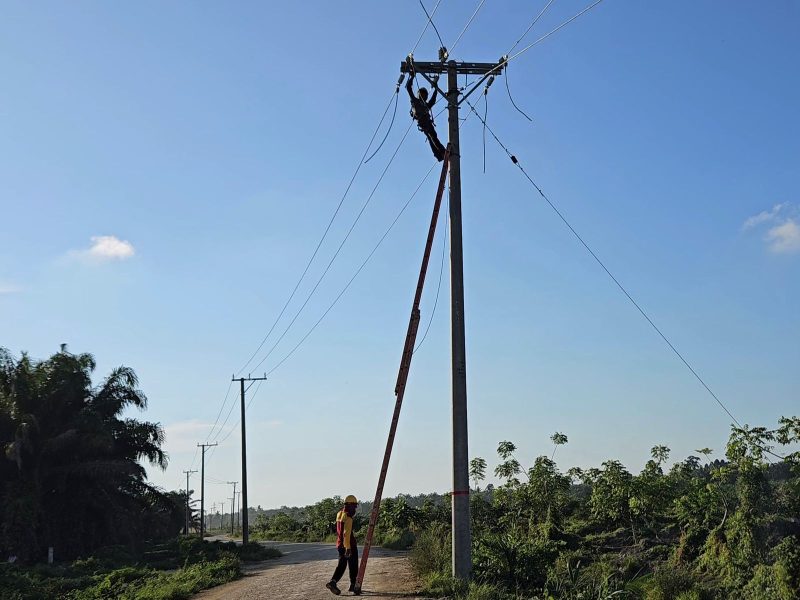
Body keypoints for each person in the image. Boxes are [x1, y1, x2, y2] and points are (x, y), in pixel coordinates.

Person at [406, 67, 447, 162]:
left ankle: (439, 155)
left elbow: (433, 101)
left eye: (426, 96)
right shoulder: (415, 101)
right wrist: (412, 77)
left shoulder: (426, 105)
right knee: (432, 136)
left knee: (431, 137)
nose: (425, 97)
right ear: (420, 94)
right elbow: (408, 88)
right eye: (424, 95)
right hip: (423, 122)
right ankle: (442, 152)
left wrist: (436, 89)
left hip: (426, 122)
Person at [326, 495, 360, 596]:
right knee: (353, 566)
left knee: (342, 565)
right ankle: (353, 586)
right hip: (348, 545)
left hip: (340, 544)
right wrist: (348, 548)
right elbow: (346, 534)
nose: (355, 509)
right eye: (354, 506)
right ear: (349, 505)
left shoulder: (339, 514)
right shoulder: (348, 517)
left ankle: (333, 582)